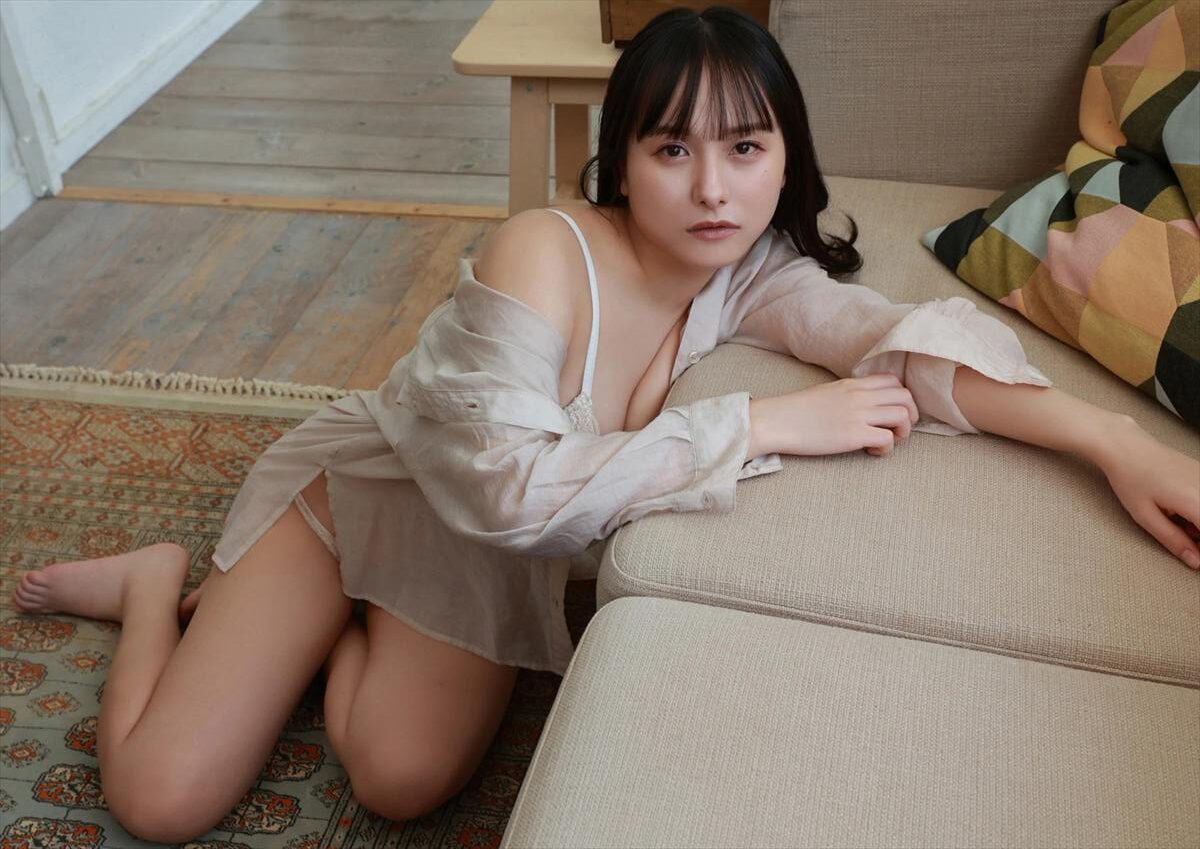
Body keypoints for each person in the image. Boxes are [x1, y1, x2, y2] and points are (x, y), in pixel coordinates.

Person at [11, 5, 1199, 841]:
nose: (713, 188)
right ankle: (160, 584)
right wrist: (764, 423)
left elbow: (903, 347)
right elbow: (505, 492)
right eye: (672, 149)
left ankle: (303, 630)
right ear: (621, 160)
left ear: (786, 158)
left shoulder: (750, 273)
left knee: (398, 781)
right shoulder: (544, 249)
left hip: (480, 565)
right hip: (365, 501)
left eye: (745, 148)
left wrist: (1116, 442)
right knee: (160, 801)